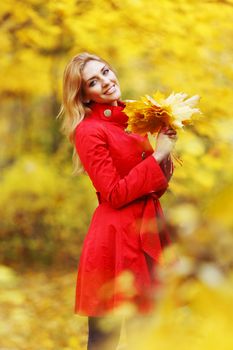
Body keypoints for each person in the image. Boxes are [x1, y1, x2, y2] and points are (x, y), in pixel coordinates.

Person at [58, 52, 177, 350]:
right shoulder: (88, 131)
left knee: (145, 335)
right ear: (85, 96)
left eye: (106, 72)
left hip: (147, 229)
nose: (107, 83)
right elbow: (114, 193)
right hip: (114, 239)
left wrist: (166, 153)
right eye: (93, 82)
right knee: (104, 340)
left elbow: (150, 188)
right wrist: (159, 154)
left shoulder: (131, 121)